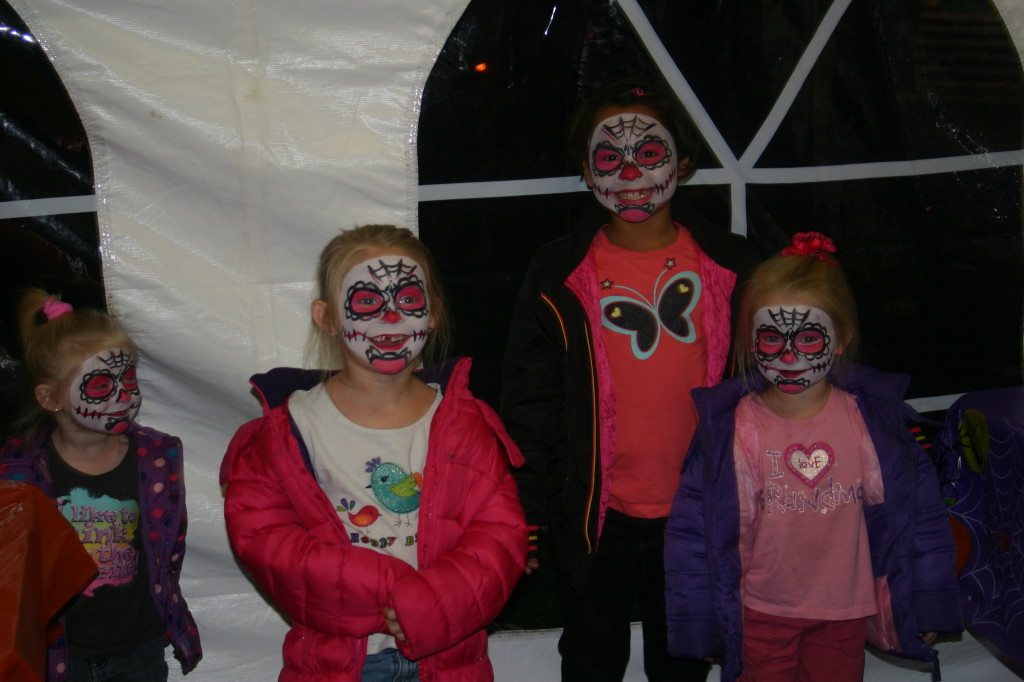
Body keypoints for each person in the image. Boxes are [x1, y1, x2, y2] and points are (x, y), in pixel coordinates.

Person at [500, 80, 757, 682]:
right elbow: (529, 397)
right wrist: (528, 510)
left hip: (695, 508)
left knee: (684, 658)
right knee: (591, 656)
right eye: (610, 157)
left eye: (651, 153)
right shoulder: (557, 270)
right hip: (593, 510)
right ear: (588, 173)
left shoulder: (733, 264)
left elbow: (763, 381)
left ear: (683, 163)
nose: (632, 171)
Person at [221, 224, 528, 681]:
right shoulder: (289, 429)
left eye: (407, 300)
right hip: (338, 663)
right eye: (366, 302)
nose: (389, 319)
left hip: (448, 659)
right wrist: (386, 589)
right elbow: (262, 537)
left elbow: (500, 538)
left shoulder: (465, 422)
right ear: (326, 317)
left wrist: (429, 605)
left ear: (434, 314)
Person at [664, 232, 963, 681]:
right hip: (759, 616)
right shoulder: (732, 431)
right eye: (770, 339)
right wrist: (702, 623)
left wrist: (926, 602)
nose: (787, 357)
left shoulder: (873, 426)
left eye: (806, 339)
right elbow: (691, 535)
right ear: (748, 342)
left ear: (840, 337)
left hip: (844, 615)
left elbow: (919, 519)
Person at [0, 289, 202, 681]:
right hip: (59, 654)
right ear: (50, 398)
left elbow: (168, 548)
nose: (124, 396)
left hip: (138, 651)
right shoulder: (18, 473)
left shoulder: (156, 458)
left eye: (128, 378)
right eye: (99, 387)